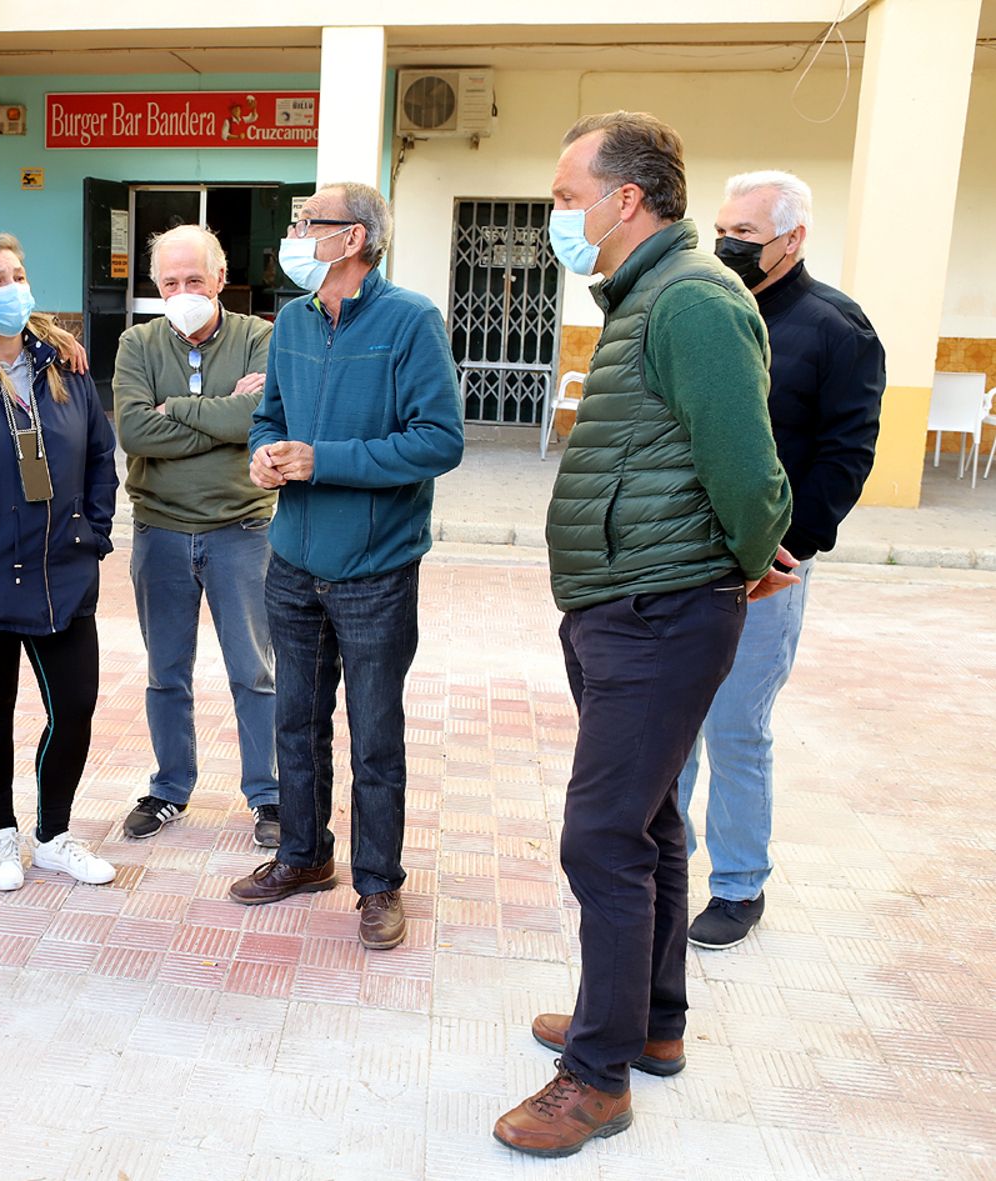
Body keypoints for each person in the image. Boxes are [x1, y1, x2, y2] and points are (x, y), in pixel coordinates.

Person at [494, 112, 795, 1158]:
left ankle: (595, 1073)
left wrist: (746, 559)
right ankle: (649, 1020)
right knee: (654, 823)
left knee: (602, 836)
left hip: (661, 605)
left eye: (567, 194)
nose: (556, 215)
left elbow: (749, 469)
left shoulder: (690, 298)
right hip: (623, 601)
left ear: (627, 200)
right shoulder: (643, 298)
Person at [228, 181, 465, 953]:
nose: (295, 234)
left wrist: (320, 459)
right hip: (292, 560)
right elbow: (272, 417)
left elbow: (438, 441)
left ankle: (378, 883)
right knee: (294, 720)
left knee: (374, 733)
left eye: (309, 223)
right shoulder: (291, 321)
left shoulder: (411, 321)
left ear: (354, 238)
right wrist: (266, 456)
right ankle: (301, 854)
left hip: (375, 568)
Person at [678, 171, 884, 949]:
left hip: (768, 567)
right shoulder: (704, 311)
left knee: (735, 727)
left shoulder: (837, 328)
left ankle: (738, 885)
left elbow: (846, 454)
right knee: (672, 727)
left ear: (792, 240)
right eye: (721, 228)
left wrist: (791, 546)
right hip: (683, 556)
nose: (727, 244)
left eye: (746, 234)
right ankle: (667, 868)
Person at [0, 234, 120, 892]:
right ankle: (1, 833)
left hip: (65, 571)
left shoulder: (61, 364)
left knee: (74, 707)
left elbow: (101, 453)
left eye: (19, 273)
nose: (14, 288)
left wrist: (94, 529)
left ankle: (54, 834)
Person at [113, 225, 280, 849]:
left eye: (194, 279)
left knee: (255, 672)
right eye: (169, 282)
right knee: (165, 672)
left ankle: (269, 795)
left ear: (219, 277)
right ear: (157, 286)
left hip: (243, 530)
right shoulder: (137, 342)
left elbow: (259, 417)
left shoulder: (260, 337)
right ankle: (170, 787)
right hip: (160, 531)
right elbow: (134, 433)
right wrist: (220, 413)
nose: (182, 291)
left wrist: (175, 410)